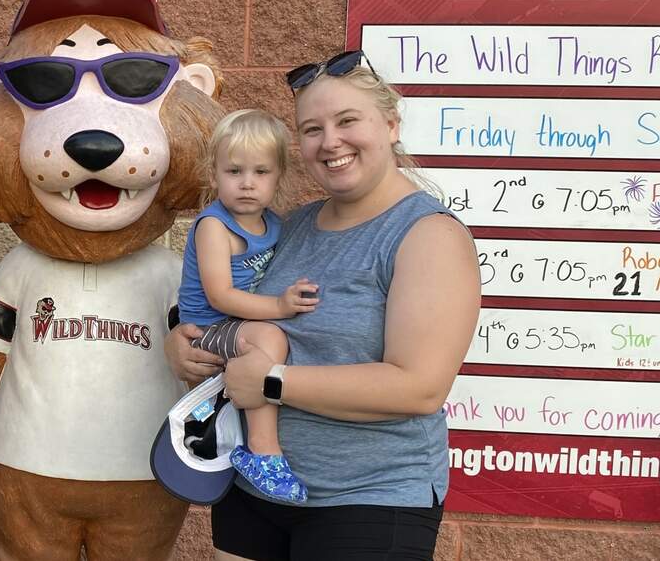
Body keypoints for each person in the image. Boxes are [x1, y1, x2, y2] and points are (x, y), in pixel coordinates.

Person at [164, 51, 481, 560]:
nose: (330, 142)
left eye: (347, 121)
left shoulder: (427, 235)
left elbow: (419, 387)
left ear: (391, 125)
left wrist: (272, 383)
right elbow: (236, 315)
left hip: (369, 498)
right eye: (312, 129)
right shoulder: (289, 226)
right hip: (255, 492)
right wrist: (185, 344)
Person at [176, 109, 318, 503]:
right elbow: (220, 296)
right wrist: (281, 306)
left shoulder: (275, 224)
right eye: (234, 171)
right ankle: (262, 450)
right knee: (269, 339)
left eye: (261, 172)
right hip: (208, 328)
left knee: (269, 339)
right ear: (213, 175)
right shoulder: (214, 226)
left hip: (237, 325)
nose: (247, 183)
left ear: (278, 176)